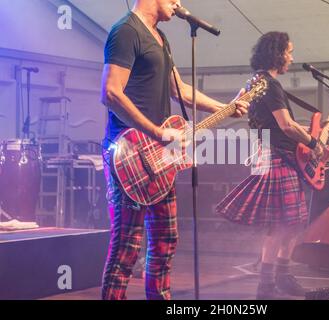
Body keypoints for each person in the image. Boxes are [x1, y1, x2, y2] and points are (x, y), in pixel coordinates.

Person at [100, 0, 248, 300]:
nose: (179, 4)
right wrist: (155, 131)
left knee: (165, 241)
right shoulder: (126, 32)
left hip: (161, 156)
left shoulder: (161, 37)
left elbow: (178, 88)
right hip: (129, 156)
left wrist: (224, 107)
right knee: (126, 250)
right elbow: (110, 92)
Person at [216, 31, 329, 299]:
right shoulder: (268, 84)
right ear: (277, 53)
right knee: (282, 224)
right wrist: (315, 142)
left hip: (275, 155)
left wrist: (314, 132)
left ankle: (280, 278)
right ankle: (268, 285)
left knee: (290, 223)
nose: (292, 58)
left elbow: (279, 126)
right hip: (276, 158)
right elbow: (285, 126)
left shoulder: (255, 82)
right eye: (289, 52)